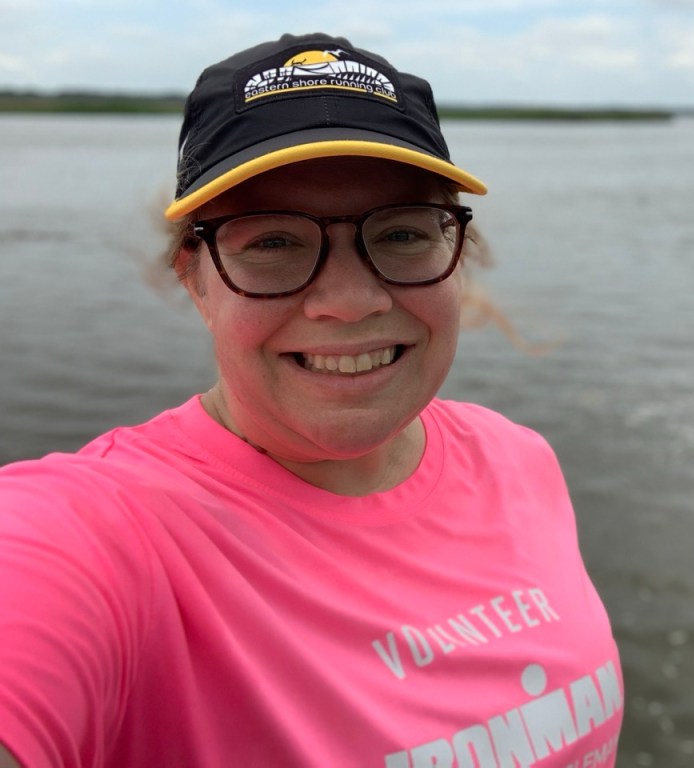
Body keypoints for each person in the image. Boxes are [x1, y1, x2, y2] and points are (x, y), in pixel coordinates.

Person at [0, 33, 623, 767]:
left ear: (457, 255)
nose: (350, 302)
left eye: (399, 233)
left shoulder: (518, 458)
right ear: (195, 278)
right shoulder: (99, 534)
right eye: (272, 243)